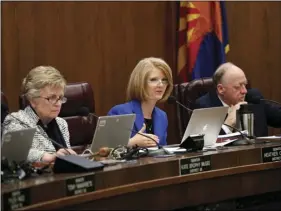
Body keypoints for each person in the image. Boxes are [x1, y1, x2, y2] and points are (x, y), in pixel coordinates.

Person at [2, 66, 76, 163]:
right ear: (33, 100)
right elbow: (14, 153)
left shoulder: (62, 123)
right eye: (52, 98)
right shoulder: (17, 121)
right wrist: (46, 156)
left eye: (60, 97)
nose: (58, 103)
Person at [195, 62, 281, 136]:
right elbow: (205, 144)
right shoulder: (205, 106)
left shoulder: (253, 98)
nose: (244, 91)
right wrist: (228, 124)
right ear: (221, 89)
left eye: (245, 85)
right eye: (237, 87)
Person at [108, 57, 173, 147]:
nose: (161, 85)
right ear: (140, 82)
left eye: (164, 80)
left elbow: (162, 151)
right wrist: (131, 143)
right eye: (153, 80)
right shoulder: (120, 112)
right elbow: (104, 150)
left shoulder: (162, 116)